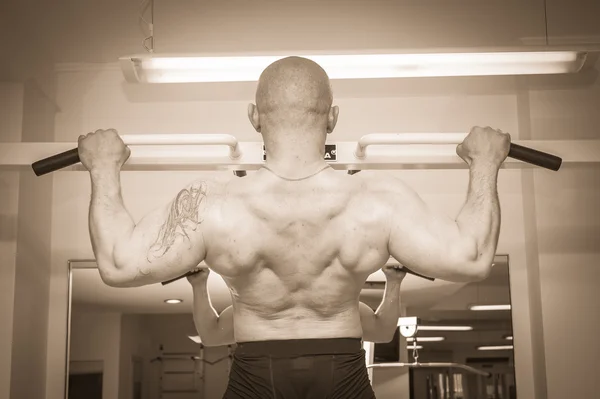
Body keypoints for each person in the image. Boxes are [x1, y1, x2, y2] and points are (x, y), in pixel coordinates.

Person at [78, 56, 509, 398]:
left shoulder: (213, 202)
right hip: (343, 370)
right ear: (333, 117)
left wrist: (103, 167)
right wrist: (486, 162)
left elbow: (118, 265)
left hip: (254, 372)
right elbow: (471, 259)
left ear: (254, 117)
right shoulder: (376, 199)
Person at [186, 265, 407, 347]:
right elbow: (212, 336)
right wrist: (198, 285)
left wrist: (394, 282)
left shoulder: (337, 304)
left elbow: (383, 332)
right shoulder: (256, 307)